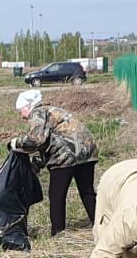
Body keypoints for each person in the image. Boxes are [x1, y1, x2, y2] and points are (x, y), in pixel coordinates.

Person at [9, 89, 99, 237]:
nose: (21, 115)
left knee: (57, 195)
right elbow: (49, 140)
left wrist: (16, 143)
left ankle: (58, 233)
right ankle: (100, 226)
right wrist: (37, 164)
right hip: (87, 151)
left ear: (28, 106)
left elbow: (37, 139)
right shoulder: (53, 110)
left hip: (66, 155)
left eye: (20, 111)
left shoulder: (37, 112)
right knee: (87, 192)